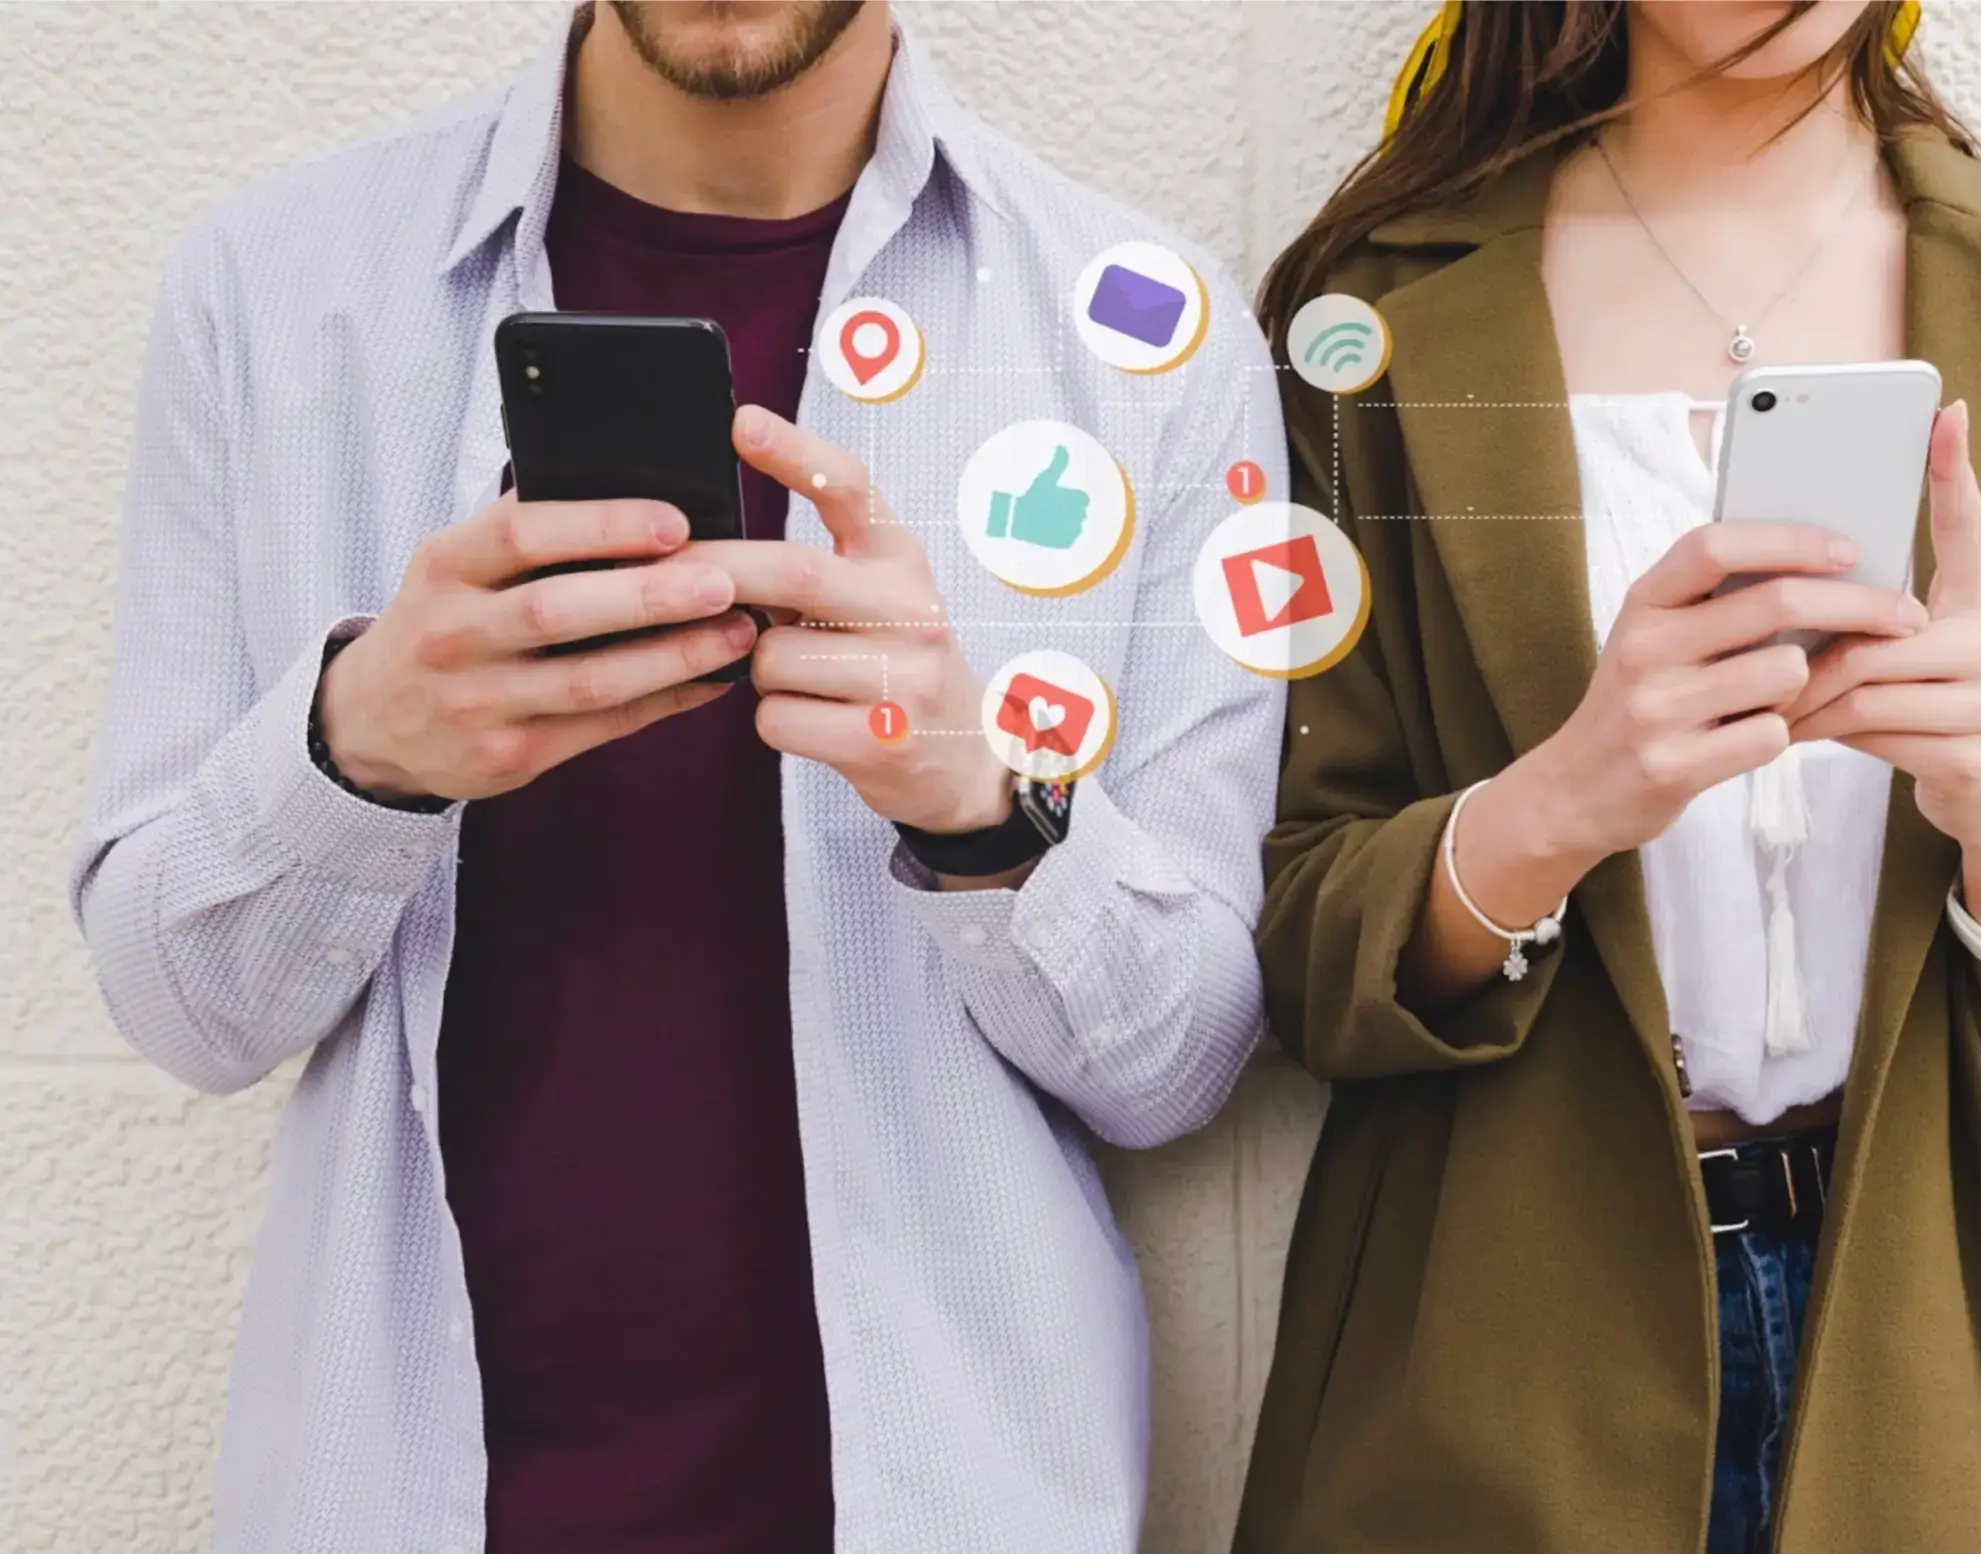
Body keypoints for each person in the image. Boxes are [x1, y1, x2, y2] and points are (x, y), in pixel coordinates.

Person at [71, 3, 1285, 1550]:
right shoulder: (273, 296)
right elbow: (183, 1011)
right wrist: (354, 748)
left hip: (949, 1498)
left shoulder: (1144, 336)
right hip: (400, 1490)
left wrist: (982, 804)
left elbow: (1178, 1064)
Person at [1236, 3, 1981, 1552]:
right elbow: (1304, 950)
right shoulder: (1368, 316)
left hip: (1922, 1367)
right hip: (1482, 1370)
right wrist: (1561, 799)